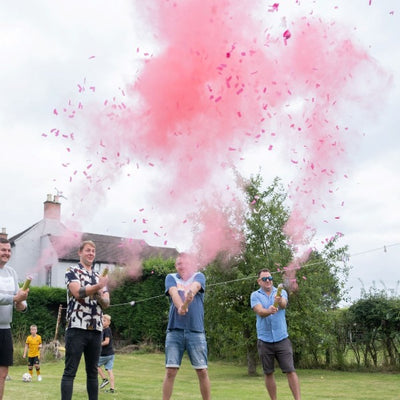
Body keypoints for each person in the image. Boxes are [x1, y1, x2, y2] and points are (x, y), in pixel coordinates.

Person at [61, 240, 110, 400]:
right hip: (76, 327)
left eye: (93, 251)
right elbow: (77, 292)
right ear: (80, 253)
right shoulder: (72, 270)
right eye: (88, 250)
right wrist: (97, 288)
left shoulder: (99, 276)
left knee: (92, 372)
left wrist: (99, 295)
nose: (91, 253)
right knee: (70, 371)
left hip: (96, 329)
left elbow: (106, 303)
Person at [162, 253, 211, 400]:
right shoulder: (171, 277)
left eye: (184, 263)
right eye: (178, 264)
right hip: (174, 330)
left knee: (202, 371)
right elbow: (173, 292)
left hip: (196, 331)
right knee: (170, 371)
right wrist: (181, 307)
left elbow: (195, 287)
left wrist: (190, 295)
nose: (181, 266)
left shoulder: (199, 276)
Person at [250, 269, 301, 400]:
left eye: (270, 278)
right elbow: (260, 311)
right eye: (265, 279)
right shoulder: (255, 295)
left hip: (281, 339)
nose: (268, 281)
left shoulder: (281, 291)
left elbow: (284, 304)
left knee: (290, 370)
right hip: (264, 340)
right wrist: (269, 310)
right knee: (268, 373)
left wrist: (278, 301)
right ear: (259, 281)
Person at [0, 238, 29, 399]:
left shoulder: (12, 272)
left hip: (5, 330)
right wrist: (14, 299)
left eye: (9, 250)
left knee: (2, 374)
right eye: (3, 250)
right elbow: (10, 298)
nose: (7, 253)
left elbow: (20, 299)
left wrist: (22, 304)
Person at [97, 314, 115, 393]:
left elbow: (106, 341)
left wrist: (98, 344)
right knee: (109, 370)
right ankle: (112, 389)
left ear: (108, 322)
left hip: (105, 354)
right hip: (111, 354)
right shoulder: (105, 330)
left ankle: (104, 379)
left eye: (104, 321)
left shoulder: (106, 330)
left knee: (95, 365)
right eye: (102, 320)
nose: (102, 322)